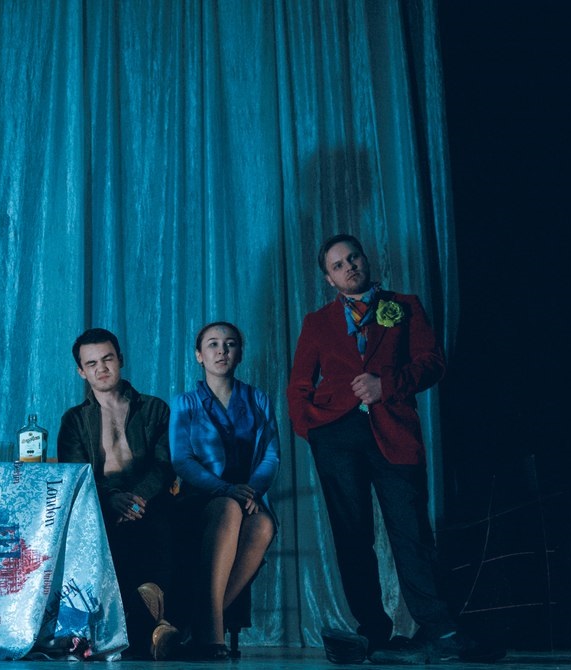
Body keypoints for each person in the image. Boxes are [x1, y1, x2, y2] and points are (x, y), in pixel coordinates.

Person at [287, 234, 486, 665]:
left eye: (352, 257)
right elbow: (299, 385)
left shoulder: (405, 306)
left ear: (365, 258)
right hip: (336, 437)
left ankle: (441, 630)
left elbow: (432, 363)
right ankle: (373, 632)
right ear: (329, 278)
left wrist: (387, 386)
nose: (349, 267)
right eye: (338, 265)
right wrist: (315, 431)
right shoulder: (317, 322)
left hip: (394, 430)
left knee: (411, 532)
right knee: (352, 536)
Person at [57, 328, 180, 660]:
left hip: (150, 502)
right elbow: (76, 475)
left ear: (120, 360)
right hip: (101, 506)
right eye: (92, 363)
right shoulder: (74, 420)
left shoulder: (154, 409)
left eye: (108, 358)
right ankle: (157, 627)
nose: (102, 368)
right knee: (100, 534)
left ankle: (142, 629)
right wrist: (112, 499)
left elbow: (164, 465)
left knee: (161, 524)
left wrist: (137, 499)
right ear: (81, 371)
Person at [169, 321, 279, 661]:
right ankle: (212, 637)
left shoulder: (258, 399)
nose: (222, 350)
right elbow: (182, 460)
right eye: (213, 344)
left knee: (264, 525)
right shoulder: (185, 403)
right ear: (199, 355)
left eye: (230, 344)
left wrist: (251, 491)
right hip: (199, 498)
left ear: (240, 353)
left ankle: (195, 627)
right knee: (229, 508)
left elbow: (271, 455)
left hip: (247, 498)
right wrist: (226, 489)